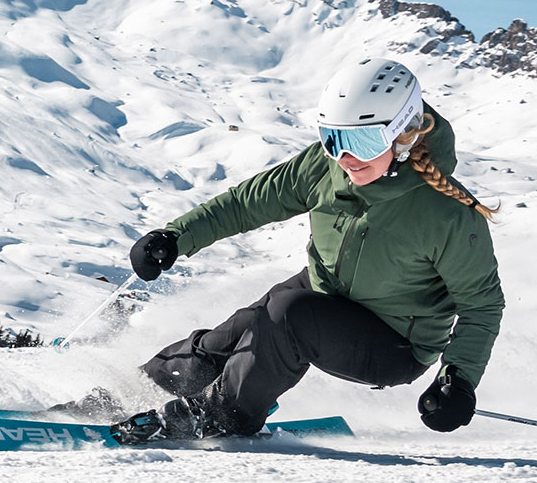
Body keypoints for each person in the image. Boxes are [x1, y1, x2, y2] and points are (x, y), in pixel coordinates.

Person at [119, 57, 503, 440]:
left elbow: (481, 306)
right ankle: (129, 395)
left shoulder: (448, 213)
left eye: (364, 141)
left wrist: (458, 380)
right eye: (334, 139)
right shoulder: (327, 166)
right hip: (325, 292)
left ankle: (222, 414)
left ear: (404, 135)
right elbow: (248, 203)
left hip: (394, 341)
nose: (346, 158)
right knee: (234, 334)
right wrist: (175, 236)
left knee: (288, 317)